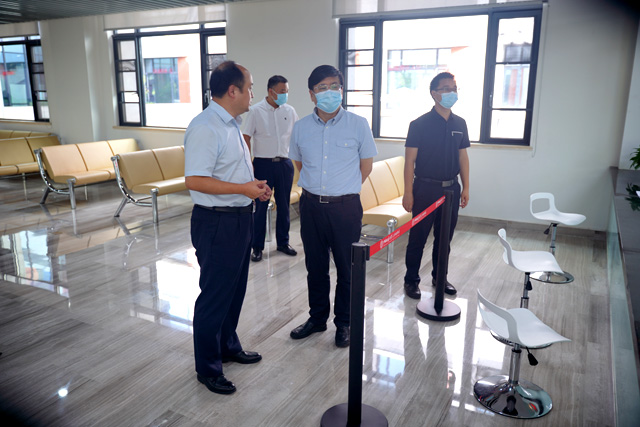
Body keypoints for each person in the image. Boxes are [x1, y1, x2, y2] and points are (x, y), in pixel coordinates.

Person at [184, 61, 272, 395]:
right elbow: (195, 180)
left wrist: (253, 186)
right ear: (233, 90)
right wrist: (241, 189)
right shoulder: (206, 127)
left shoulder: (232, 123)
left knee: (234, 291)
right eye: (250, 87)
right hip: (216, 221)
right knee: (215, 295)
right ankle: (208, 368)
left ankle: (227, 346)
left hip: (238, 217)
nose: (252, 94)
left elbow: (230, 171)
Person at [288, 65, 378, 348]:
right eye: (322, 87)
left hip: (345, 208)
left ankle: (344, 323)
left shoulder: (358, 124)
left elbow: (366, 166)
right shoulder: (301, 127)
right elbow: (299, 163)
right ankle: (317, 319)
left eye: (335, 86)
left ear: (342, 89)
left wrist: (343, 189)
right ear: (312, 94)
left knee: (347, 269)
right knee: (315, 267)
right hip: (311, 207)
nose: (330, 92)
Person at [402, 71, 470, 299]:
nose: (452, 93)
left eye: (454, 88)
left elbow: (463, 157)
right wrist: (408, 192)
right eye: (446, 89)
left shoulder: (460, 123)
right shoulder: (419, 124)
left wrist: (466, 187)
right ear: (434, 93)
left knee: (444, 239)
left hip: (451, 189)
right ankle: (411, 280)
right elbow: (409, 161)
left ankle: (440, 277)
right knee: (418, 238)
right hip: (425, 189)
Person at [243, 75, 299, 262]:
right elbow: (246, 137)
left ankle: (283, 243)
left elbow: (298, 135)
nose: (285, 95)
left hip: (284, 164)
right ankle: (257, 247)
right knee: (260, 207)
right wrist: (249, 164)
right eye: (282, 91)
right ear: (271, 91)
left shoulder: (290, 111)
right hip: (263, 165)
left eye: (286, 91)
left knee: (284, 206)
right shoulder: (256, 111)